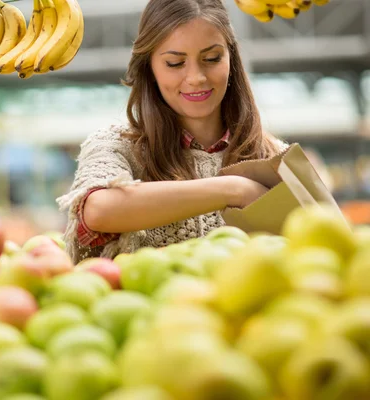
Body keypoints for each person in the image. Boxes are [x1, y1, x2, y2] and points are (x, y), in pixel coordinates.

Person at [57, 0, 289, 264]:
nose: (196, 78)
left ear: (231, 58)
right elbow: (96, 210)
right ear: (150, 68)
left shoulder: (275, 157)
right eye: (175, 63)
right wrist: (234, 189)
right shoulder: (114, 145)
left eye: (212, 58)